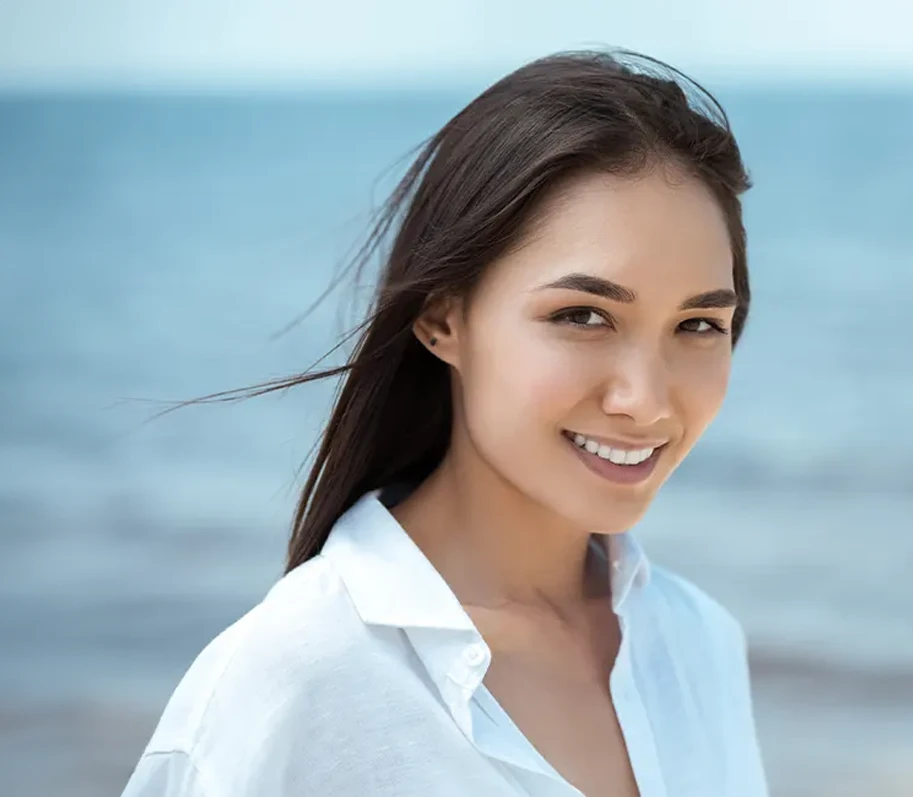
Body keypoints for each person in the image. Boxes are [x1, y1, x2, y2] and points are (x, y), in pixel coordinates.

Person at [120, 47, 769, 797]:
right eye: (584, 315)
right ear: (442, 316)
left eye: (697, 325)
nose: (647, 400)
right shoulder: (292, 683)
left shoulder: (699, 643)